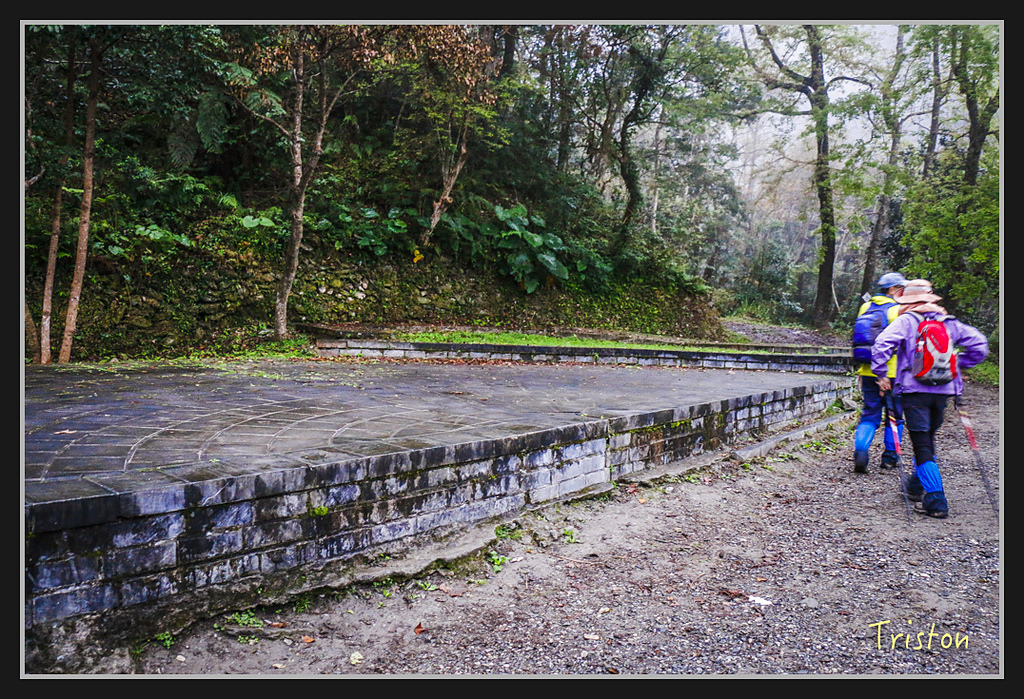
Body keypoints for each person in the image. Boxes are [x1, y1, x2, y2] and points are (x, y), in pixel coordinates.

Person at [871, 280, 989, 518]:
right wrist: (958, 366)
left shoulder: (907, 321)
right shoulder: (949, 323)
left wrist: (881, 373)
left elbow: (881, 344)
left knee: (922, 444)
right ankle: (916, 485)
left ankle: (936, 500)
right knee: (928, 438)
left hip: (914, 392)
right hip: (943, 392)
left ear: (909, 302)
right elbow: (980, 345)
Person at [851, 272, 906, 473]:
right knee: (894, 415)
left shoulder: (866, 307)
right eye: (901, 288)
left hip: (867, 370)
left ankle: (861, 449)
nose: (904, 291)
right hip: (892, 371)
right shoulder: (898, 310)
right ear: (892, 289)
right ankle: (890, 457)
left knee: (870, 413)